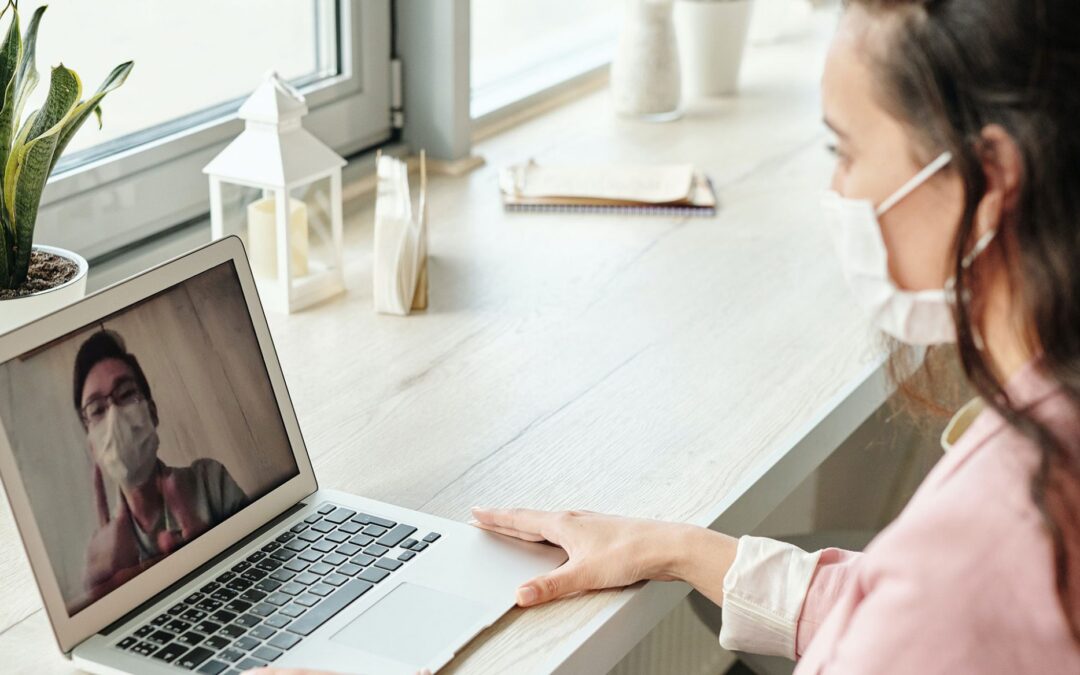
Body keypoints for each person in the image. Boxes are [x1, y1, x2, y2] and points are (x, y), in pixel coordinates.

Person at [257, 0, 1080, 673]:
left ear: (991, 180)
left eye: (846, 149)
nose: (834, 189)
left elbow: (930, 608)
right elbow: (903, 613)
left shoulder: (990, 538)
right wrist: (679, 547)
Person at [75, 330, 248, 604]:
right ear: (92, 445)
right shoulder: (102, 556)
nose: (115, 416)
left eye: (126, 393)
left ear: (152, 413)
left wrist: (213, 557)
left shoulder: (210, 481)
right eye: (97, 410)